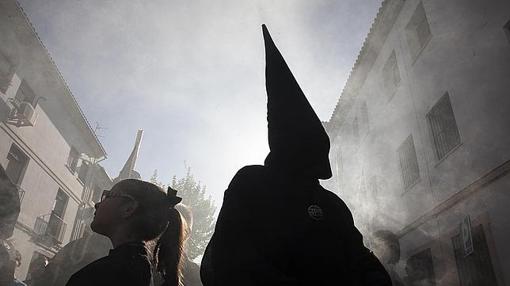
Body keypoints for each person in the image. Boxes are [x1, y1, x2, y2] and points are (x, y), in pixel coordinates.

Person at [200, 25, 392, 286]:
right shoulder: (251, 183)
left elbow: (362, 260)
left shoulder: (333, 205)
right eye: (301, 138)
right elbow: (230, 263)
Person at [66, 179, 184, 286]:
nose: (97, 204)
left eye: (107, 196)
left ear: (128, 209)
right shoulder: (137, 268)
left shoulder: (104, 275)